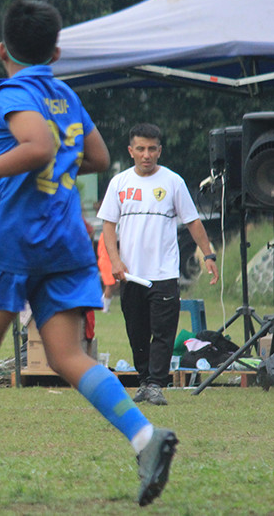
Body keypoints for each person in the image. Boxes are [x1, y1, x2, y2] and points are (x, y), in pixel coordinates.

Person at [0, 0, 176, 507]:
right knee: (67, 356)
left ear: (1, 49)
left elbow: (37, 146)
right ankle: (146, 440)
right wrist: (57, 170)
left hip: (18, 237)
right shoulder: (63, 94)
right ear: (57, 51)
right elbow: (100, 157)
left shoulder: (12, 91)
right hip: (65, 239)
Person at [98, 123, 220, 406]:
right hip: (131, 275)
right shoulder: (119, 183)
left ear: (160, 150)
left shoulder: (173, 182)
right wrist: (115, 262)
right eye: (140, 149)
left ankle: (155, 383)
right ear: (131, 151)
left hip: (164, 273)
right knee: (136, 331)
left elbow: (192, 221)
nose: (146, 154)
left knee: (163, 334)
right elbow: (108, 226)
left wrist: (209, 255)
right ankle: (143, 381)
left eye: (152, 149)